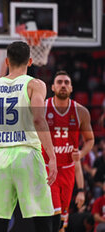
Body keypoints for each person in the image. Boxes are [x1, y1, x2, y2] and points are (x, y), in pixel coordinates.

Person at [0, 41, 57, 232]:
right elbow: (39, 120)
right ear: (30, 61)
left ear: (7, 61)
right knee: (41, 218)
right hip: (27, 154)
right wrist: (52, 156)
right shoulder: (35, 84)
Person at [42, 70, 94, 231]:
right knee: (54, 215)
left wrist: (82, 153)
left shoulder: (81, 112)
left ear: (71, 88)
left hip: (68, 171)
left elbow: (90, 140)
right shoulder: (42, 108)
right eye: (59, 82)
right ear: (53, 87)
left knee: (63, 220)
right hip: (47, 169)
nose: (63, 85)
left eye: (66, 82)